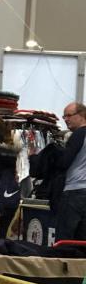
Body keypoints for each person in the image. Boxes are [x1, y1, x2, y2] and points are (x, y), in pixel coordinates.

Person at [53, 102, 86, 241]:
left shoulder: (78, 134)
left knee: (64, 241)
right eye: (64, 116)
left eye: (69, 115)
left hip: (74, 192)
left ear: (82, 115)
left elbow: (63, 162)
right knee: (82, 241)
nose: (66, 119)